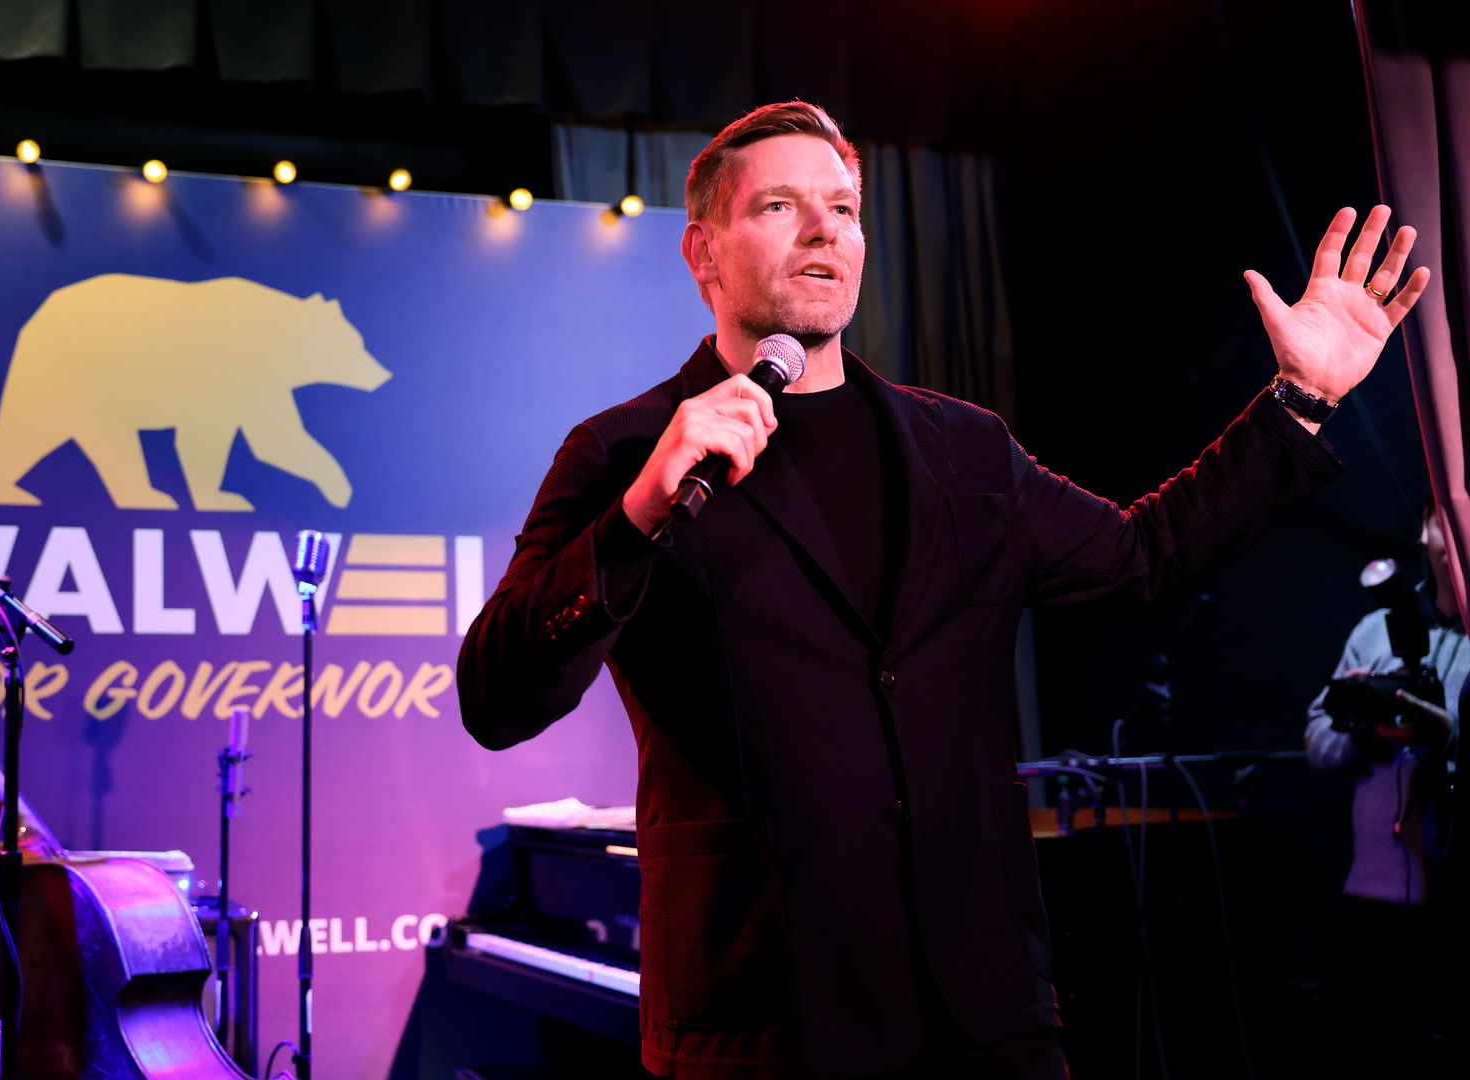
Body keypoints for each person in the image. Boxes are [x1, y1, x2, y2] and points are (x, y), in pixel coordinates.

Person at [456, 100, 1430, 1078]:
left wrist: (1301, 400)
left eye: (843, 208)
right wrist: (638, 516)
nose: (824, 228)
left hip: (987, 1016)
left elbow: (1147, 560)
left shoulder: (962, 446)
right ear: (703, 253)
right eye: (782, 206)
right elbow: (497, 698)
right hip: (766, 1021)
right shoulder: (625, 452)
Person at [1303, 502, 1465, 1077]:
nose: (1455, 537)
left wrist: (1444, 740)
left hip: (1452, 905)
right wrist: (1366, 732)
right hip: (1369, 897)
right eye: (1442, 522)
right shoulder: (1375, 631)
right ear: (1424, 532)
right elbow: (1318, 743)